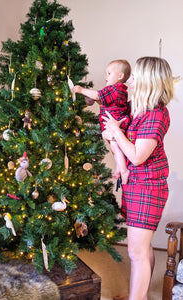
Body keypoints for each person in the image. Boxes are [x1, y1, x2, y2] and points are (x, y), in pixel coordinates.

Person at [102, 56, 174, 300]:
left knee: (136, 252)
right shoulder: (140, 109)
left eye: (135, 77)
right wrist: (114, 133)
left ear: (147, 81)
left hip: (148, 187)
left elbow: (138, 156)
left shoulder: (155, 114)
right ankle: (140, 295)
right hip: (136, 184)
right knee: (143, 246)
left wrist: (114, 131)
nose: (129, 81)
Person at [72, 59, 131, 186]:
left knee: (115, 147)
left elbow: (98, 95)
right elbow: (103, 101)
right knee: (115, 148)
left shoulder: (115, 88)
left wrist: (81, 90)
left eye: (109, 73)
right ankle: (119, 169)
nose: (106, 76)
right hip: (113, 125)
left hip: (115, 125)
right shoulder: (118, 90)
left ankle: (124, 170)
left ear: (120, 76)